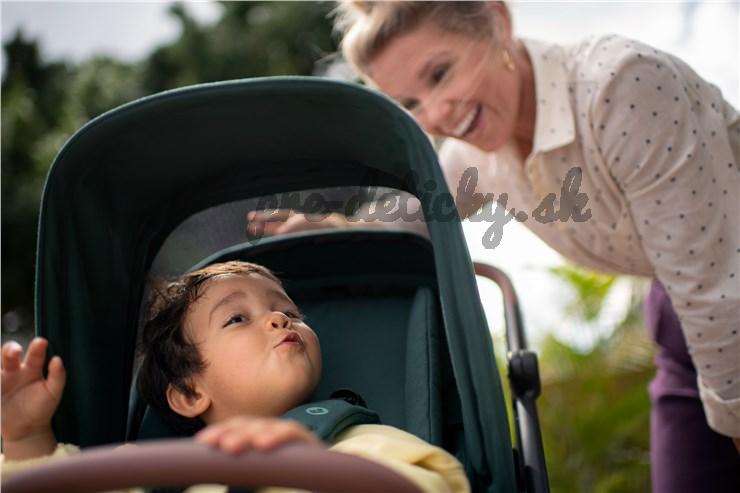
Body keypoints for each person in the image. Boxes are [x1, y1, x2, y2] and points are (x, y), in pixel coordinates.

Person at [246, 2, 740, 491]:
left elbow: (716, 292)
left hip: (722, 307)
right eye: (411, 104)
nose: (436, 114)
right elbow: (415, 218)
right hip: (681, 318)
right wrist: (332, 227)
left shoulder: (621, 84)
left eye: (440, 73)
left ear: (497, 23)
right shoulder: (475, 156)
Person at [1, 260, 470, 493]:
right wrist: (25, 440)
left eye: (289, 312)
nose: (280, 319)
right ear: (189, 392)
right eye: (237, 319)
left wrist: (317, 472)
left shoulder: (361, 442)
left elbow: (430, 484)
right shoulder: (149, 471)